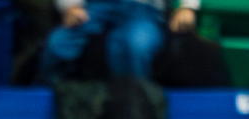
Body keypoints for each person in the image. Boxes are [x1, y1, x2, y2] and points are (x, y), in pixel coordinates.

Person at [38, 0, 197, 83]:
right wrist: (70, 6)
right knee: (58, 43)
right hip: (94, 7)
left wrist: (187, 7)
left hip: (144, 8)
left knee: (134, 44)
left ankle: (133, 112)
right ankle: (44, 111)